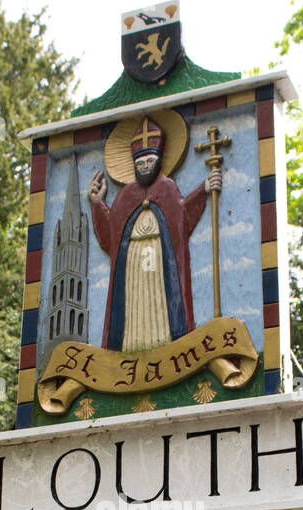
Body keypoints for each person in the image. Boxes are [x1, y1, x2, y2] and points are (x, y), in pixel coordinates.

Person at [88, 114, 221, 352]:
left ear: (159, 160)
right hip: (131, 271)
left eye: (149, 162)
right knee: (134, 306)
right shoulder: (125, 196)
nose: (145, 167)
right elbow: (110, 237)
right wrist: (98, 204)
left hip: (161, 265)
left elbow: (182, 217)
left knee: (159, 304)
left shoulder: (167, 188)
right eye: (140, 164)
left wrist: (203, 189)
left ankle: (168, 350)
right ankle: (128, 350)